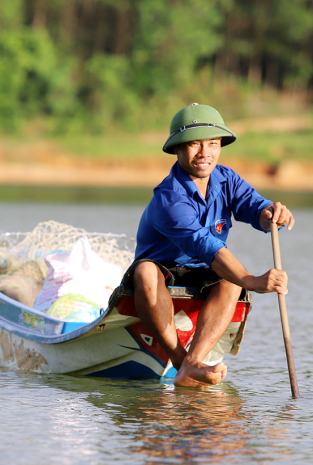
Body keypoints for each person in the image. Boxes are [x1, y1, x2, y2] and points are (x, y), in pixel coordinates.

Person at [126, 103, 294, 387]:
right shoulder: (169, 198)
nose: (205, 154)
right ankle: (182, 362)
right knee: (145, 272)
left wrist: (271, 213)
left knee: (230, 281)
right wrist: (252, 281)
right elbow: (205, 246)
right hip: (161, 270)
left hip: (203, 268)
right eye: (194, 144)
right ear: (177, 149)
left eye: (213, 144)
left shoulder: (226, 178)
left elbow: (254, 207)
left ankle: (193, 362)